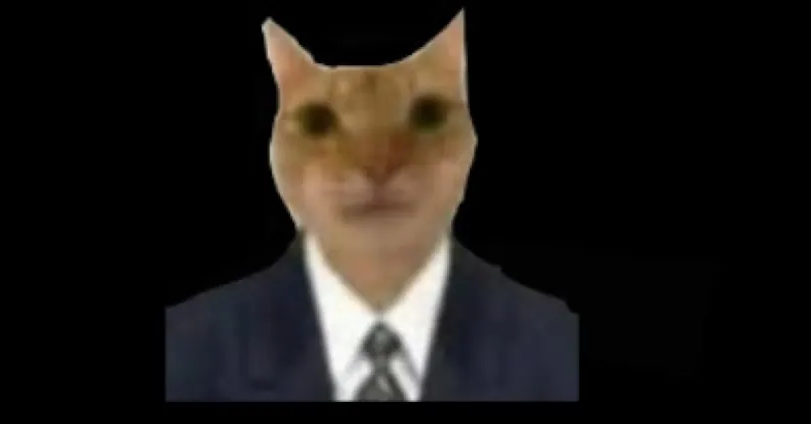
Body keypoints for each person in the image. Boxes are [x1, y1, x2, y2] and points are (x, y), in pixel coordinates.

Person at [162, 12, 579, 402]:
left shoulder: (560, 347)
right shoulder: (186, 353)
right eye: (319, 123)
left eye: (427, 116)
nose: (376, 162)